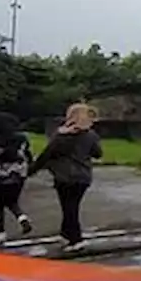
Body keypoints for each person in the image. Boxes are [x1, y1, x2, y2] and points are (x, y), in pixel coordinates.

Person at [30, 103, 104, 252]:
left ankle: (76, 239)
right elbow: (98, 153)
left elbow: (47, 154)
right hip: (83, 176)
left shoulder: (61, 135)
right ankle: (66, 234)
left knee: (69, 208)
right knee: (71, 207)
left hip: (64, 176)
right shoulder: (90, 135)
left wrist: (31, 170)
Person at [0, 112, 34, 243]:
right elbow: (27, 154)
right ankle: (21, 217)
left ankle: (0, 231)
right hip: (19, 172)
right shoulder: (22, 138)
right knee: (12, 199)